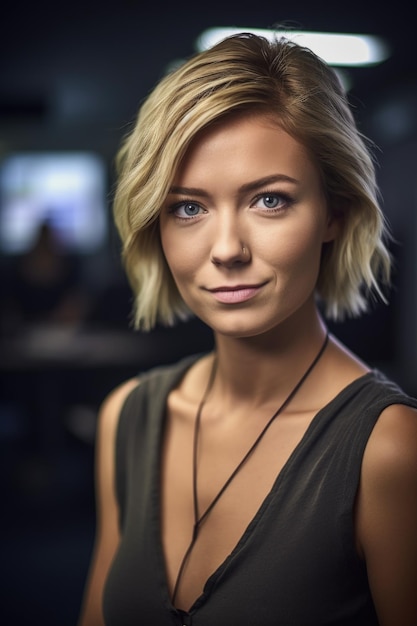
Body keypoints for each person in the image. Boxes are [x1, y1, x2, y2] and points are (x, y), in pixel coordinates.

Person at [77, 32, 417, 626]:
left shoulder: (390, 450)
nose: (227, 249)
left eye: (269, 201)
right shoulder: (126, 417)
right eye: (188, 207)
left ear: (334, 213)